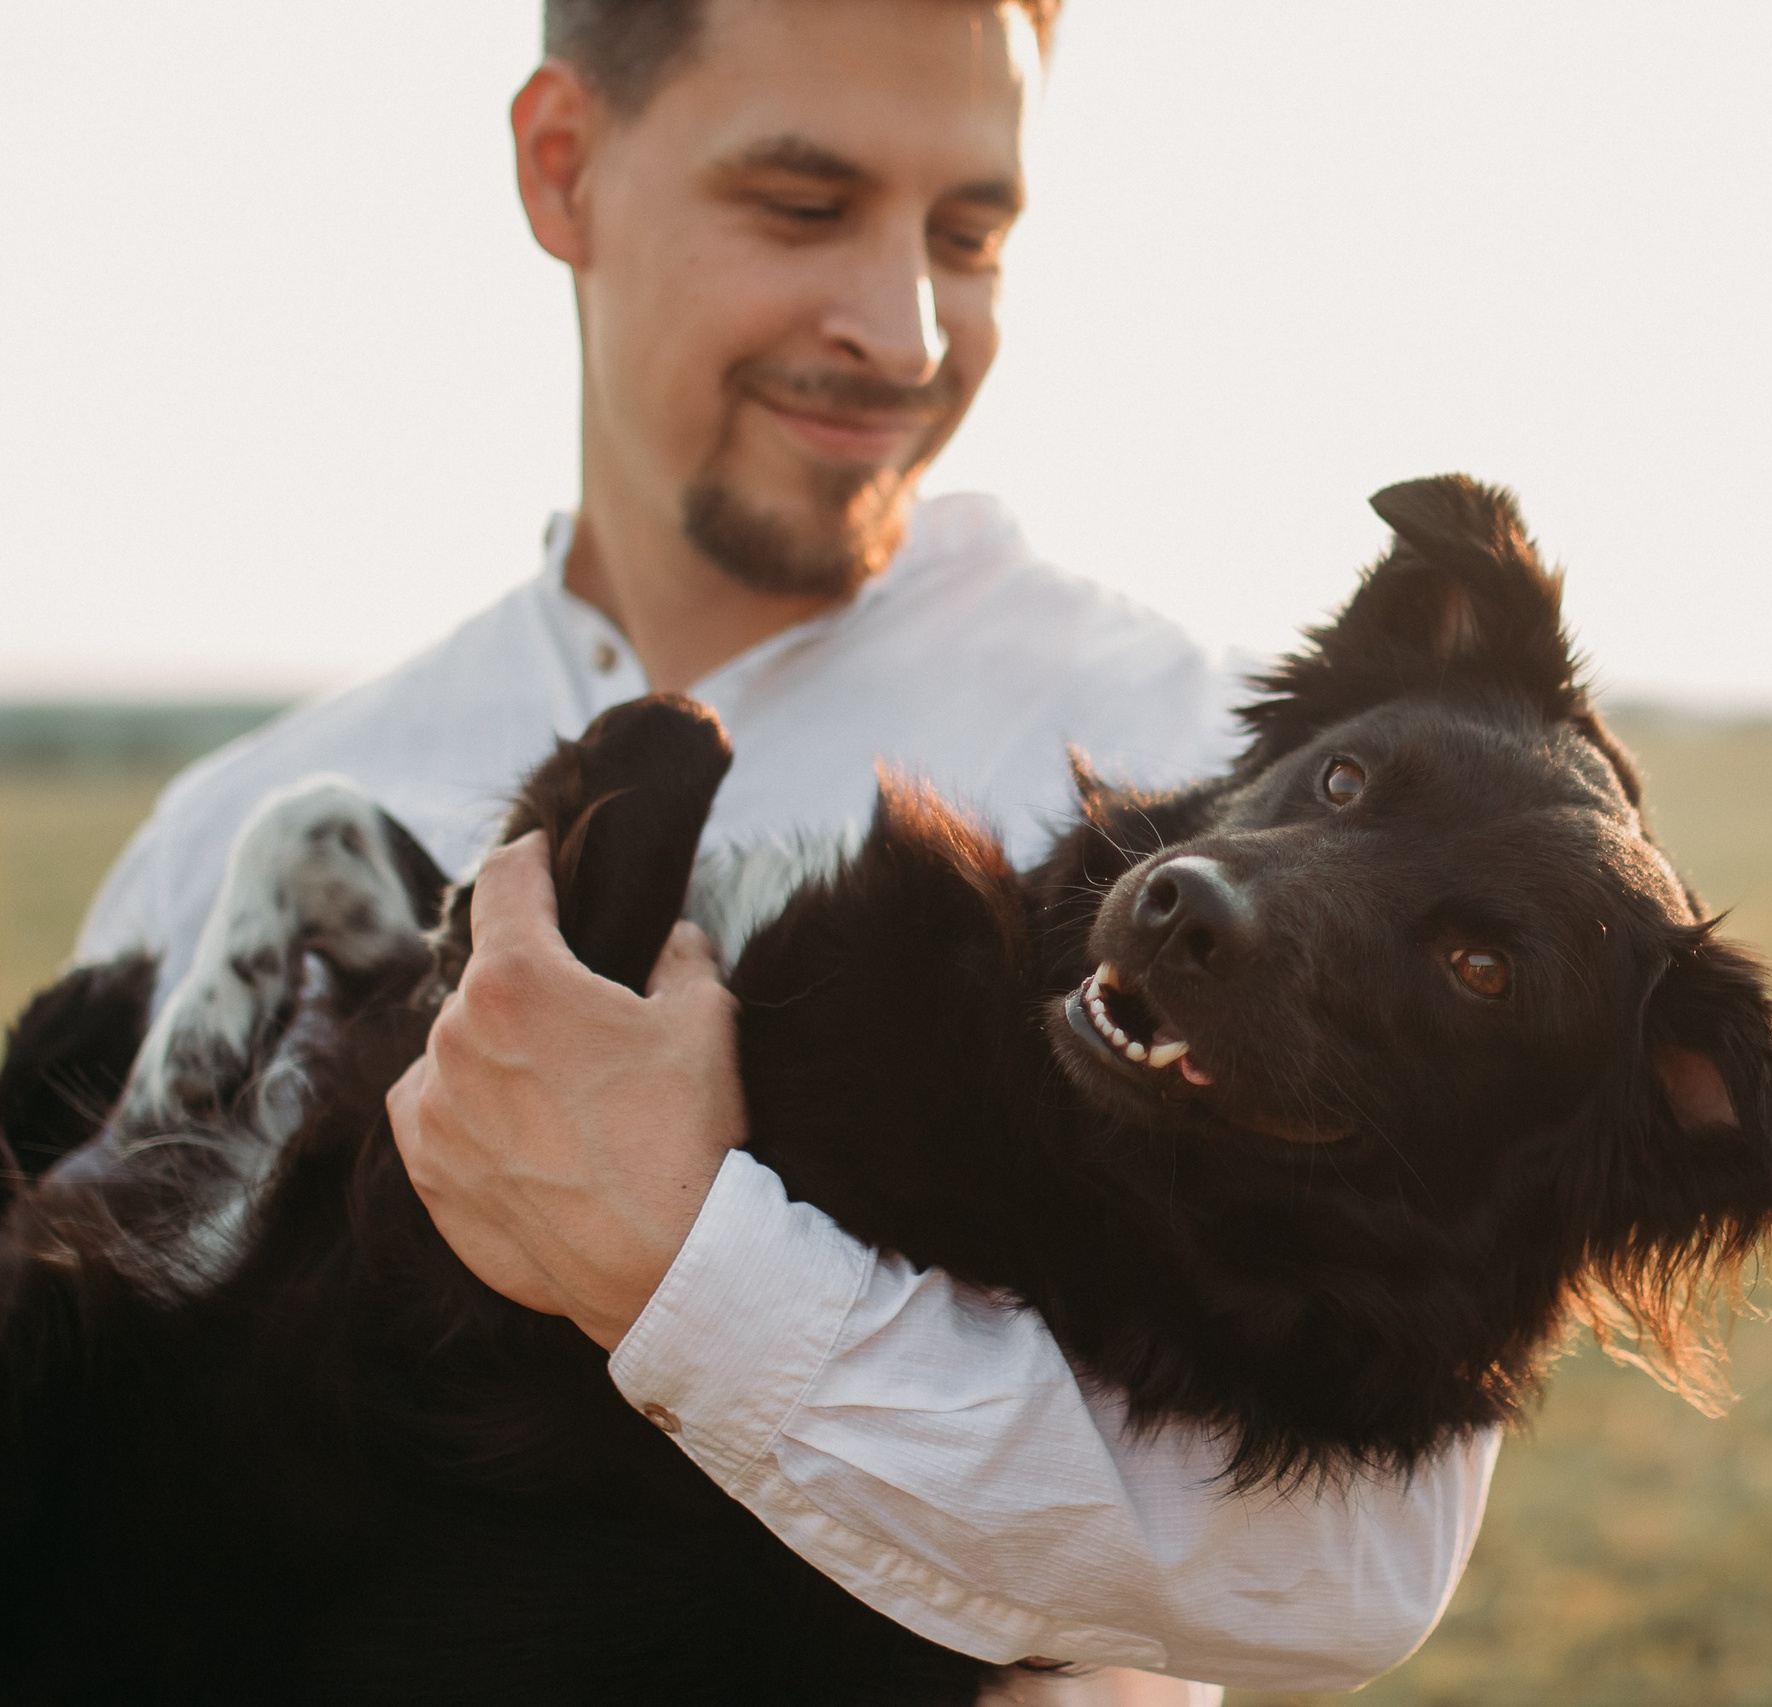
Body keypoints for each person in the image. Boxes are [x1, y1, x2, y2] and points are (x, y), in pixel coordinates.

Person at [72, 2, 1497, 1702]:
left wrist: (685, 1263)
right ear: (563, 165)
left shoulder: (1200, 782)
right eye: (803, 207)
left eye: (969, 234)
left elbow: (1355, 1565)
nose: (903, 332)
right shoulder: (252, 820)